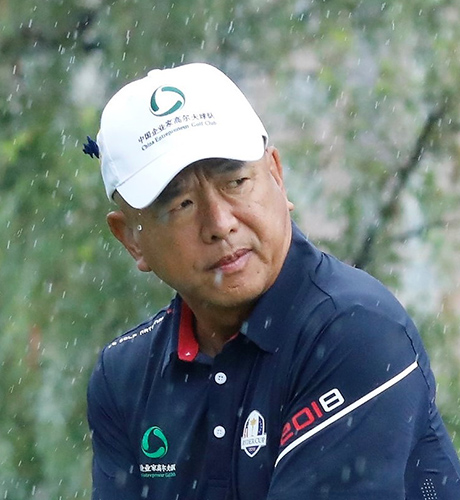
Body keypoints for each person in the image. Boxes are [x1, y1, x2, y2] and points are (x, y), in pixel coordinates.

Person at [83, 62, 460, 500]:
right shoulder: (125, 375)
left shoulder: (358, 329)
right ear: (131, 239)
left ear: (277, 175)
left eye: (236, 181)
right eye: (181, 204)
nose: (220, 223)